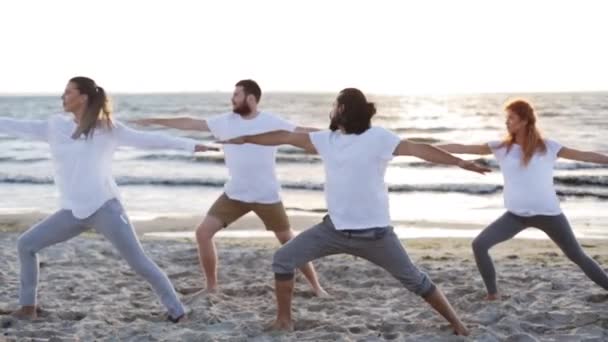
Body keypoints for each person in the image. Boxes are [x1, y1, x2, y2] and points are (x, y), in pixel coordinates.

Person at [221, 88, 491, 335]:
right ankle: (284, 320)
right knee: (283, 259)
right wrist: (246, 138)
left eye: (336, 105)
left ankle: (458, 324)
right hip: (333, 230)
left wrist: (459, 162)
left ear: (343, 110)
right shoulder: (327, 140)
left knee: (415, 281)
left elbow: (419, 149)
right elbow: (286, 136)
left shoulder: (379, 138)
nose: (332, 110)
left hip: (376, 236)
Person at [1, 76, 216, 321]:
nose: (63, 96)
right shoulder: (55, 126)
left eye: (68, 92)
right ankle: (28, 308)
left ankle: (178, 312)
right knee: (26, 244)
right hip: (72, 212)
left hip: (105, 208)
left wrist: (191, 146)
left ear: (83, 97)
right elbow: (12, 124)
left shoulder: (109, 130)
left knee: (139, 262)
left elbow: (148, 140)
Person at [130, 80, 326, 296]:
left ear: (251, 98)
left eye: (237, 95)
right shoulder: (225, 121)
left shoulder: (270, 121)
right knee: (203, 233)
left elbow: (302, 131)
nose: (232, 99)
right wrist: (154, 121)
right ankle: (211, 286)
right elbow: (191, 123)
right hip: (235, 194)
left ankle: (317, 287)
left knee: (289, 241)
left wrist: (337, 135)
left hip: (266, 195)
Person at [438, 99, 608, 300]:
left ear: (525, 121)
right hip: (516, 216)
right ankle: (493, 293)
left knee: (577, 256)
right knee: (479, 245)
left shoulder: (549, 147)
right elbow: (463, 147)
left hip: (549, 215)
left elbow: (585, 156)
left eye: (511, 118)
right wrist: (425, 148)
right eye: (506, 118)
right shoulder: (501, 148)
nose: (507, 122)